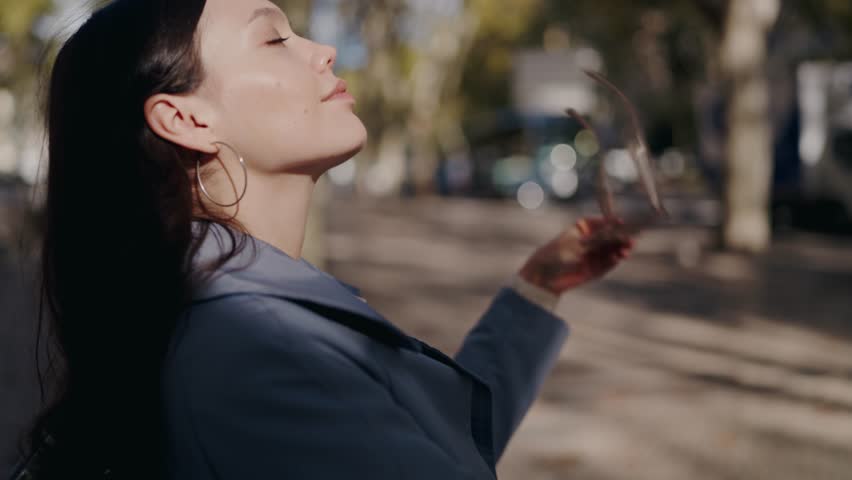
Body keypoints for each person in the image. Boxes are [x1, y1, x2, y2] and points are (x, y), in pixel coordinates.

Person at [12, 0, 633, 478]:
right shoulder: (250, 349)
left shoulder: (236, 318)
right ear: (187, 119)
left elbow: (434, 445)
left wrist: (539, 287)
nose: (325, 50)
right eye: (275, 37)